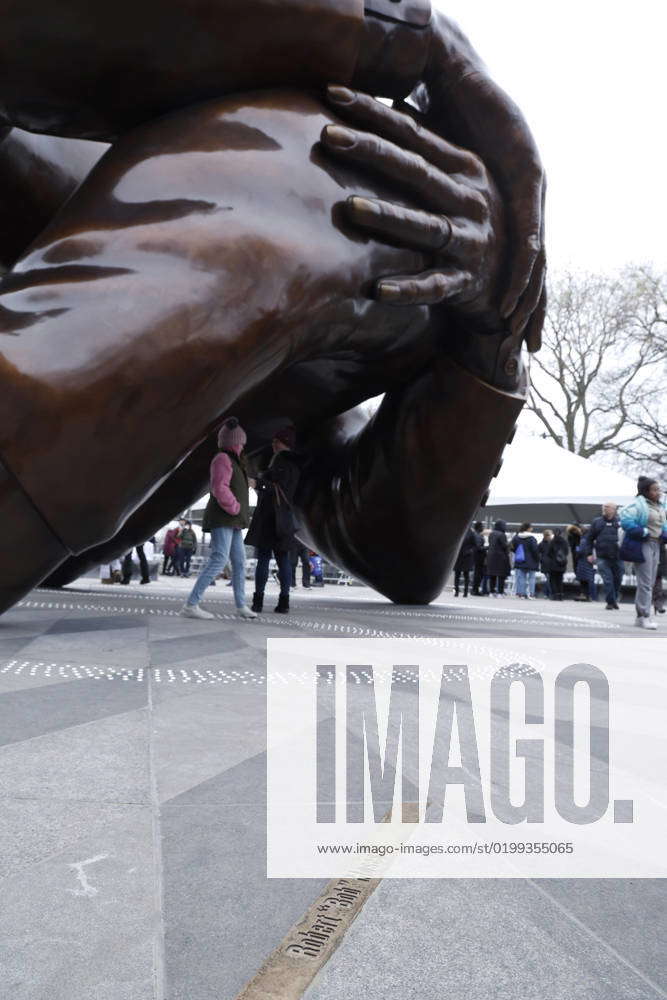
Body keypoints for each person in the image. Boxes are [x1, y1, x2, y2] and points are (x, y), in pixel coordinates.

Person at [180, 418, 256, 620]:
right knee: (219, 559)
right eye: (240, 442)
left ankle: (241, 605)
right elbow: (219, 487)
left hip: (234, 521)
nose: (242, 445)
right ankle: (191, 604)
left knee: (239, 562)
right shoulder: (222, 459)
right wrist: (235, 506)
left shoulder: (237, 461)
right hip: (224, 518)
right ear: (233, 442)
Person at [247, 427, 301, 614]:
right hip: (285, 518)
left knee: (263, 559)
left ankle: (258, 602)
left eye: (276, 441)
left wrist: (258, 482)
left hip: (271, 517)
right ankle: (284, 602)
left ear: (284, 443)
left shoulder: (280, 460)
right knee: (283, 560)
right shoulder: (295, 464)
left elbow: (276, 487)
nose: (273, 443)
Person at [620, 476, 667, 630]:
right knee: (645, 583)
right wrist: (642, 531)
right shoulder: (638, 505)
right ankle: (643, 616)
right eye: (655, 489)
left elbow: (662, 525)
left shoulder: (659, 506)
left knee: (650, 582)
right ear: (646, 491)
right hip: (643, 544)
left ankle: (642, 616)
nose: (658, 492)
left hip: (656, 544)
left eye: (658, 489)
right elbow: (625, 519)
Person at [580, 502, 622, 610]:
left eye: (607, 507)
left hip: (618, 556)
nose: (604, 509)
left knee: (618, 579)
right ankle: (610, 602)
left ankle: (613, 599)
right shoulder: (597, 522)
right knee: (608, 580)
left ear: (614, 509)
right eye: (603, 507)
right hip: (602, 556)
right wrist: (589, 553)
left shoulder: (620, 522)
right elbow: (589, 539)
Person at [511, 523, 540, 599]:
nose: (532, 528)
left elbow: (511, 546)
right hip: (531, 561)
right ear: (528, 528)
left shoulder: (516, 537)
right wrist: (537, 559)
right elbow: (535, 550)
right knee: (531, 578)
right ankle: (531, 594)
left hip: (520, 560)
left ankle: (522, 594)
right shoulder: (531, 538)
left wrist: (517, 552)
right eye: (531, 527)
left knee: (521, 578)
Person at [486, 520, 511, 597]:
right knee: (501, 576)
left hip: (491, 557)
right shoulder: (502, 535)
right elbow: (504, 546)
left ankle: (491, 592)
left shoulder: (491, 534)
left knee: (492, 575)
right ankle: (500, 592)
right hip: (501, 558)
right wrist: (509, 544)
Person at [453, 527, 477, 597]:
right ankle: (456, 591)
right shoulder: (458, 531)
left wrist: (470, 551)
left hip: (467, 556)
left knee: (466, 574)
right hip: (458, 556)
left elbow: (475, 545)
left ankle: (465, 592)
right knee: (457, 574)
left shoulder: (471, 533)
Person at [546, 528, 569, 601]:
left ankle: (554, 595)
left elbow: (548, 553)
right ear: (561, 533)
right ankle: (561, 595)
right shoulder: (564, 542)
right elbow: (566, 552)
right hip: (562, 564)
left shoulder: (552, 542)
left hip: (553, 564)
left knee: (553, 580)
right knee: (560, 579)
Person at [471, 521, 487, 596]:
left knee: (478, 574)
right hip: (478, 558)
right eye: (482, 526)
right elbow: (478, 547)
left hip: (478, 557)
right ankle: (475, 590)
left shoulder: (477, 535)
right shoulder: (477, 536)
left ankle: (475, 589)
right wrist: (487, 547)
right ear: (479, 527)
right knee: (478, 574)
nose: (483, 528)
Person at [537, 529, 553, 598]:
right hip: (549, 563)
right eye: (550, 535)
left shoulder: (541, 544)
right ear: (548, 535)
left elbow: (537, 553)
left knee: (548, 579)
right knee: (549, 579)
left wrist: (541, 560)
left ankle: (546, 593)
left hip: (545, 563)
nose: (551, 536)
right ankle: (549, 593)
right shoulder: (551, 543)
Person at [653, 539, 666, 615]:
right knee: (646, 583)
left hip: (660, 553)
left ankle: (658, 605)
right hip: (647, 549)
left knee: (658, 580)